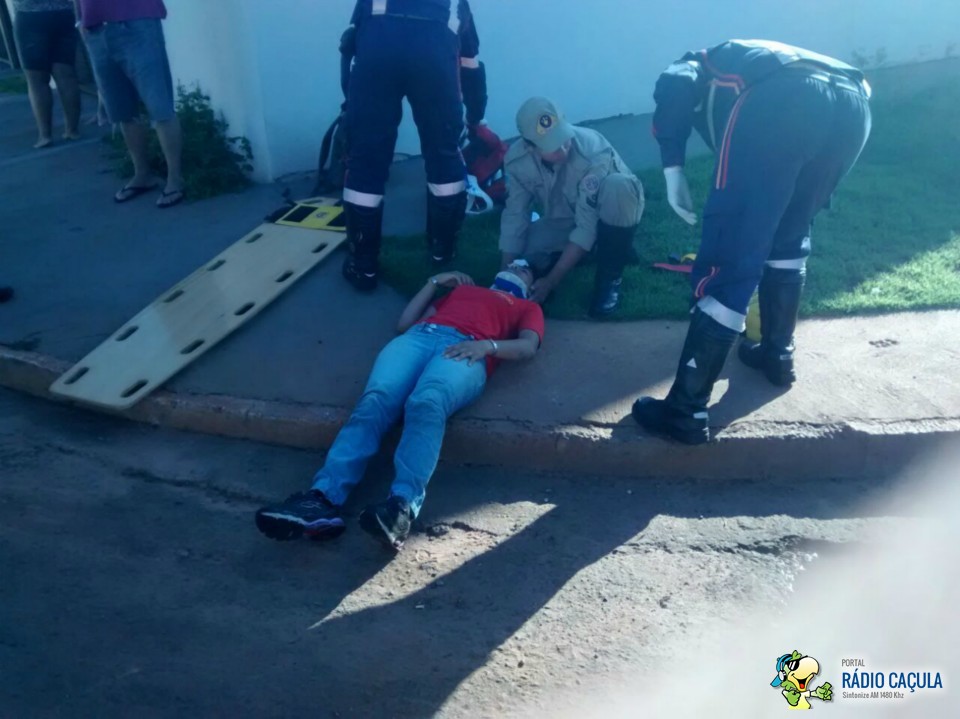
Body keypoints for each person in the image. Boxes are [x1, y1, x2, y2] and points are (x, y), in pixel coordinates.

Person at [633, 40, 872, 444]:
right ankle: (778, 356)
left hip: (784, 98)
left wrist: (673, 168)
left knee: (730, 257)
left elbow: (674, 84)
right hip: (854, 104)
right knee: (791, 233)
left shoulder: (697, 61)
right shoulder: (750, 54)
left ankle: (686, 409)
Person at [255, 261, 544, 550]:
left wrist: (488, 346)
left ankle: (400, 509)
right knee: (375, 401)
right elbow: (405, 324)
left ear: (532, 287)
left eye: (524, 268)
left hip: (468, 348)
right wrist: (433, 282)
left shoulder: (527, 306)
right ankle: (320, 500)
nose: (515, 266)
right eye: (512, 263)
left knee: (427, 403)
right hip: (418, 337)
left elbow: (527, 346)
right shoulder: (463, 291)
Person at [340, 0, 487, 292]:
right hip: (435, 62)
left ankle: (363, 265)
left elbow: (351, 45)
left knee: (366, 163)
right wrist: (475, 117)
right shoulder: (457, 4)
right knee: (445, 159)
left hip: (377, 59)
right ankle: (442, 253)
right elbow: (470, 63)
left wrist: (352, 104)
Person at [499, 97, 644, 317]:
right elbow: (515, 215)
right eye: (552, 146)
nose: (563, 149)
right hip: (564, 219)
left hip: (609, 213)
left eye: (563, 138)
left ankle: (610, 277)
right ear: (529, 146)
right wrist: (505, 272)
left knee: (618, 186)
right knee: (527, 250)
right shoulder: (516, 161)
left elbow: (587, 223)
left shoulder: (592, 149)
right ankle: (597, 250)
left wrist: (551, 281)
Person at [74, 0, 184, 208]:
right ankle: (142, 174)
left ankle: (175, 179)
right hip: (96, 29)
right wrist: (80, 19)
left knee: (159, 105)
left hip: (137, 23)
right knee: (122, 110)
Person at [12, 0, 81, 148]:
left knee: (36, 80)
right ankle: (72, 130)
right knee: (66, 74)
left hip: (29, 14)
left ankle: (45, 135)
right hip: (63, 12)